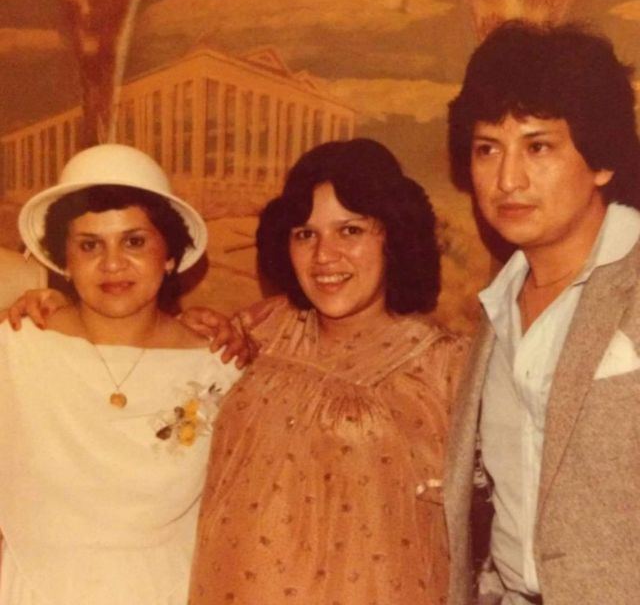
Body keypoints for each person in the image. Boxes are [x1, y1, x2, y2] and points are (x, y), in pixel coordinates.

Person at [185, 138, 468, 604]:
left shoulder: (446, 365)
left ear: (394, 237)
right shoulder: (263, 329)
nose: (324, 256)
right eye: (305, 234)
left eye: (350, 231)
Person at [445, 20, 640, 605]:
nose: (508, 180)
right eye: (488, 149)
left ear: (601, 160)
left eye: (538, 147)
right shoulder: (495, 308)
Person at [0, 144, 241, 605]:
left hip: (169, 592)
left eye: (134, 242)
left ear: (169, 255)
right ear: (64, 260)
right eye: (90, 245)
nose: (112, 264)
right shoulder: (16, 349)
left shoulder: (219, 367)